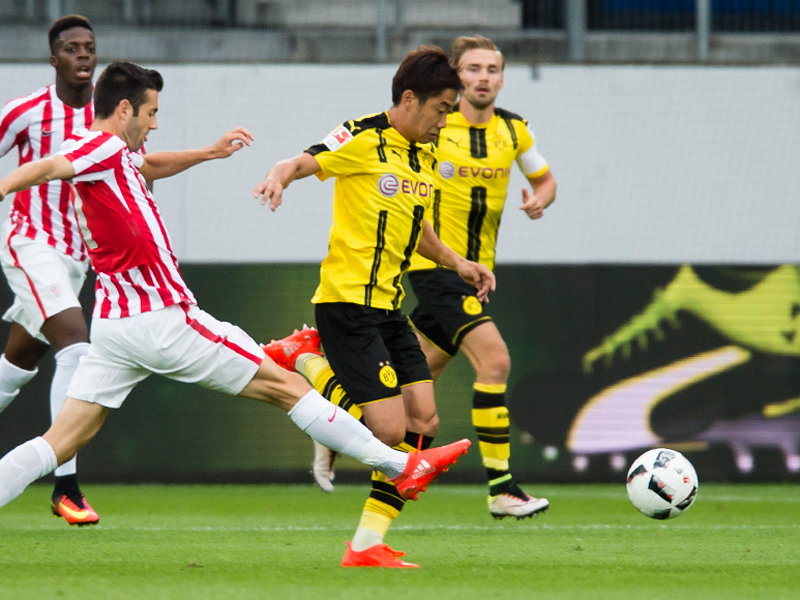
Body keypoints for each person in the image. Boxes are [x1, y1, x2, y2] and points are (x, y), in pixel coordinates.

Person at [0, 61, 471, 542]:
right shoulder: (95, 146)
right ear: (124, 110)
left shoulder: (114, 154)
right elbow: (49, 166)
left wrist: (208, 152)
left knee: (60, 442)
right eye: (151, 113)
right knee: (285, 386)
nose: (155, 124)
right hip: (163, 318)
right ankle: (400, 464)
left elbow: (151, 163)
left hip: (116, 328)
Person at [293, 35, 558, 519]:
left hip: (452, 276)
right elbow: (317, 159)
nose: (483, 78)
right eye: (473, 68)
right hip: (406, 281)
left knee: (419, 416)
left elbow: (542, 179)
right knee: (492, 363)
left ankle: (366, 523)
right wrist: (281, 175)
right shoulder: (402, 131)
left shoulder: (510, 132)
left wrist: (538, 200)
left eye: (492, 69)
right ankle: (501, 486)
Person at [254, 46, 495, 568]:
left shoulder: (426, 154)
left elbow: (418, 229)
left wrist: (459, 263)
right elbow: (299, 160)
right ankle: (305, 358)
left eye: (451, 111)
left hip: (389, 306)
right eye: (441, 108)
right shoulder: (363, 136)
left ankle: (365, 544)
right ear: (410, 99)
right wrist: (278, 177)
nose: (445, 119)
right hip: (345, 305)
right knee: (387, 432)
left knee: (423, 424)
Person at [0, 15, 99, 525]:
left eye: (89, 47)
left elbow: (135, 173)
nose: (82, 55)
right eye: (72, 48)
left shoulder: (110, 116)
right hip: (29, 244)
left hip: (75, 258)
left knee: (17, 365)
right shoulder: (25, 113)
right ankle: (66, 485)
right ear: (54, 59)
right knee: (76, 343)